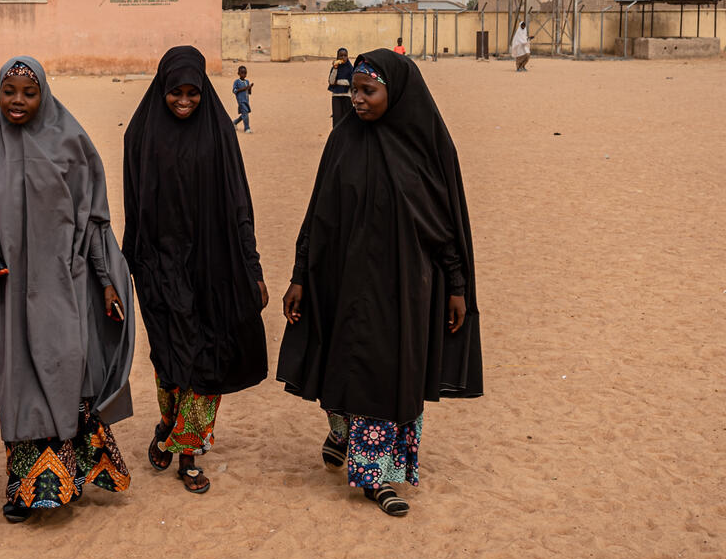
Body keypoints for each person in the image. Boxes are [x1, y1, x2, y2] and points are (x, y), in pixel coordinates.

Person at [277, 48, 483, 517]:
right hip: (343, 281)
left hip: (407, 289)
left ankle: (379, 477)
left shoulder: (424, 147)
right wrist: (299, 276)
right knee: (339, 360)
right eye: (354, 90)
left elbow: (444, 224)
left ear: (397, 91)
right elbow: (318, 212)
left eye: (369, 91)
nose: (358, 100)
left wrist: (457, 286)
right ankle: (342, 431)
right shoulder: (342, 141)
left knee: (391, 372)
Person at [0, 56, 134, 522]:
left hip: (65, 290)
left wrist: (105, 282)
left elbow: (94, 224)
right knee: (21, 385)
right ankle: (25, 491)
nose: (17, 101)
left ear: (44, 94)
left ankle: (66, 481)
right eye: (8, 91)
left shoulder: (72, 144)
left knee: (63, 373)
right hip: (9, 296)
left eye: (28, 93)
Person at [123, 45, 269, 494]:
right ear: (162, 89)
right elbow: (135, 207)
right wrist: (139, 266)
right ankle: (168, 422)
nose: (184, 100)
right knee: (170, 357)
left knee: (208, 356)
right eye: (175, 92)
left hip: (213, 265)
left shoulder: (220, 131)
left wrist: (252, 266)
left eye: (193, 92)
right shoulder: (141, 133)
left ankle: (189, 452)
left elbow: (239, 201)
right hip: (160, 267)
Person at [326, 47, 354, 126]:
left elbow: (351, 82)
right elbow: (331, 81)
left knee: (347, 119)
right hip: (336, 96)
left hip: (347, 96)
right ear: (337, 57)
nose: (343, 58)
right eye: (341, 56)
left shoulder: (350, 68)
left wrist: (338, 82)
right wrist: (335, 69)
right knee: (337, 119)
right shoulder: (335, 68)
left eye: (345, 56)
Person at [232, 64, 254, 133]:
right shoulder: (237, 82)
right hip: (241, 100)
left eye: (245, 73)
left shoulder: (247, 81)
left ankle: (234, 122)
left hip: (246, 100)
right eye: (242, 73)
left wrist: (250, 88)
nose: (244, 74)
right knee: (245, 113)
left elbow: (249, 92)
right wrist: (244, 88)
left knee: (245, 114)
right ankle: (247, 128)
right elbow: (234, 91)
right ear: (238, 73)